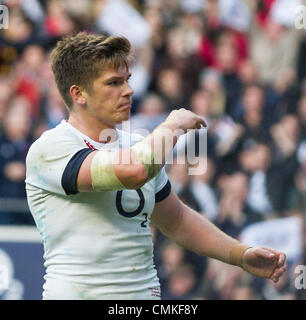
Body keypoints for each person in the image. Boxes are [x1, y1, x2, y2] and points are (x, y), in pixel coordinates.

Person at [25, 32, 286, 300]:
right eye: (113, 83)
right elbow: (134, 171)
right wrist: (171, 126)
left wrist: (240, 254)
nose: (128, 90)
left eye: (126, 80)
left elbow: (178, 220)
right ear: (78, 94)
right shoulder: (52, 148)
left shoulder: (139, 145)